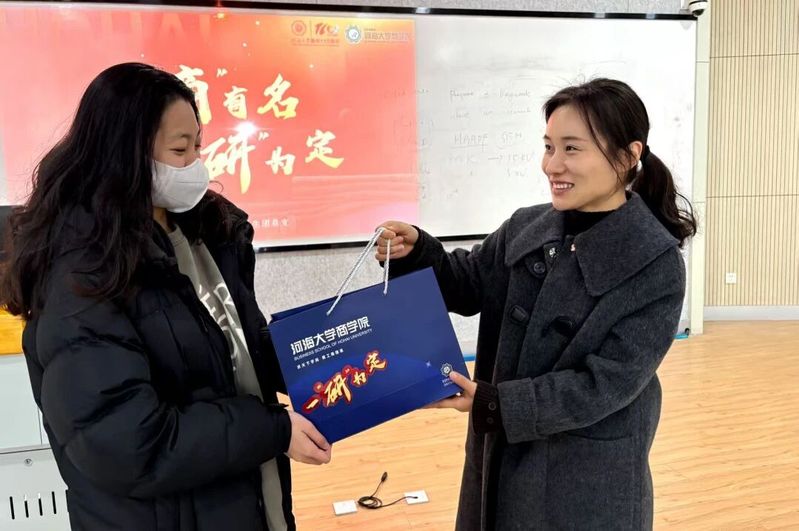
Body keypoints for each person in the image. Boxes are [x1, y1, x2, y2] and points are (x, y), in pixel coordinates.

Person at [0, 62, 331, 531]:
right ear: (125, 152)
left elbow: (239, 348)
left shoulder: (207, 233)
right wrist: (272, 430)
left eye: (198, 146)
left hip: (244, 502)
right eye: (180, 149)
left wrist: (342, 362)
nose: (196, 164)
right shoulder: (82, 272)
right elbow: (126, 441)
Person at [375, 78, 696, 530]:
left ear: (628, 156)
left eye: (572, 148)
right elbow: (467, 284)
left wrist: (500, 404)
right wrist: (419, 253)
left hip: (585, 475)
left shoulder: (654, 262)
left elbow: (605, 384)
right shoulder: (527, 227)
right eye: (548, 147)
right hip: (500, 459)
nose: (551, 165)